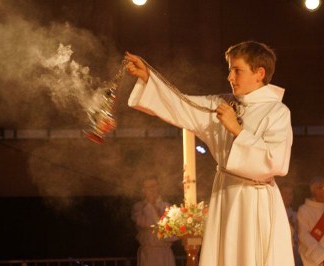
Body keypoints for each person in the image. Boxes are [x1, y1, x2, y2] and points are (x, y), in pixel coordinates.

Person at [124, 40, 294, 266]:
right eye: (230, 70)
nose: (230, 78)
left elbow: (277, 162)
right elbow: (183, 105)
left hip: (255, 198)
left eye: (237, 71)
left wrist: (237, 130)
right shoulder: (223, 104)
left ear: (259, 73)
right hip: (224, 193)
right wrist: (148, 79)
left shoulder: (277, 112)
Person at [131, 177, 176, 266]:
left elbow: (173, 231)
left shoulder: (168, 206)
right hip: (149, 254)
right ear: (143, 190)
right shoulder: (139, 207)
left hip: (165, 253)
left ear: (158, 187)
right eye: (148, 187)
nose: (151, 190)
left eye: (153, 186)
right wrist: (150, 205)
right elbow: (146, 224)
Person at [280, 182, 303, 266]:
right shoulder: (272, 213)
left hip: (294, 252)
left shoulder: (295, 214)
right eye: (285, 193)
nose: (288, 197)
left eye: (290, 194)